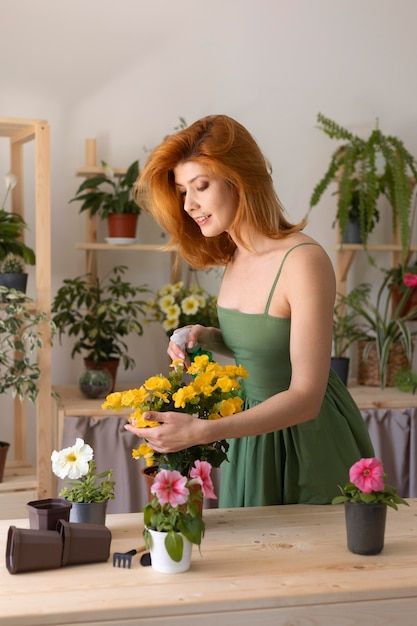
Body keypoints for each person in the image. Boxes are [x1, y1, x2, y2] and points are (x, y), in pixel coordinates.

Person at [125, 114, 374, 507]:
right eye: (182, 191)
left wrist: (202, 431)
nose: (189, 204)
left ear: (239, 179)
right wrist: (205, 335)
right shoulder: (236, 255)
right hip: (251, 437)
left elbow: (306, 397)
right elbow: (265, 348)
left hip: (305, 443)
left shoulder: (303, 261)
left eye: (200, 187)